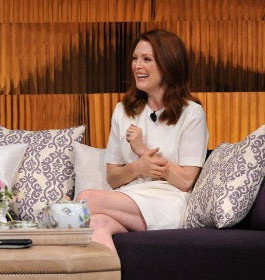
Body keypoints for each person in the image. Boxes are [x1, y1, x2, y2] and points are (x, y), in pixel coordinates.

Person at [75, 29, 209, 251]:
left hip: (168, 201)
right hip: (129, 196)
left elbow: (186, 181)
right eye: (135, 58)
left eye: (147, 59)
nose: (137, 66)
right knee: (96, 222)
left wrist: (142, 149)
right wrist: (138, 167)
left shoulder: (191, 113)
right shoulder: (123, 111)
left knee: (85, 200)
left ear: (168, 65)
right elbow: (113, 177)